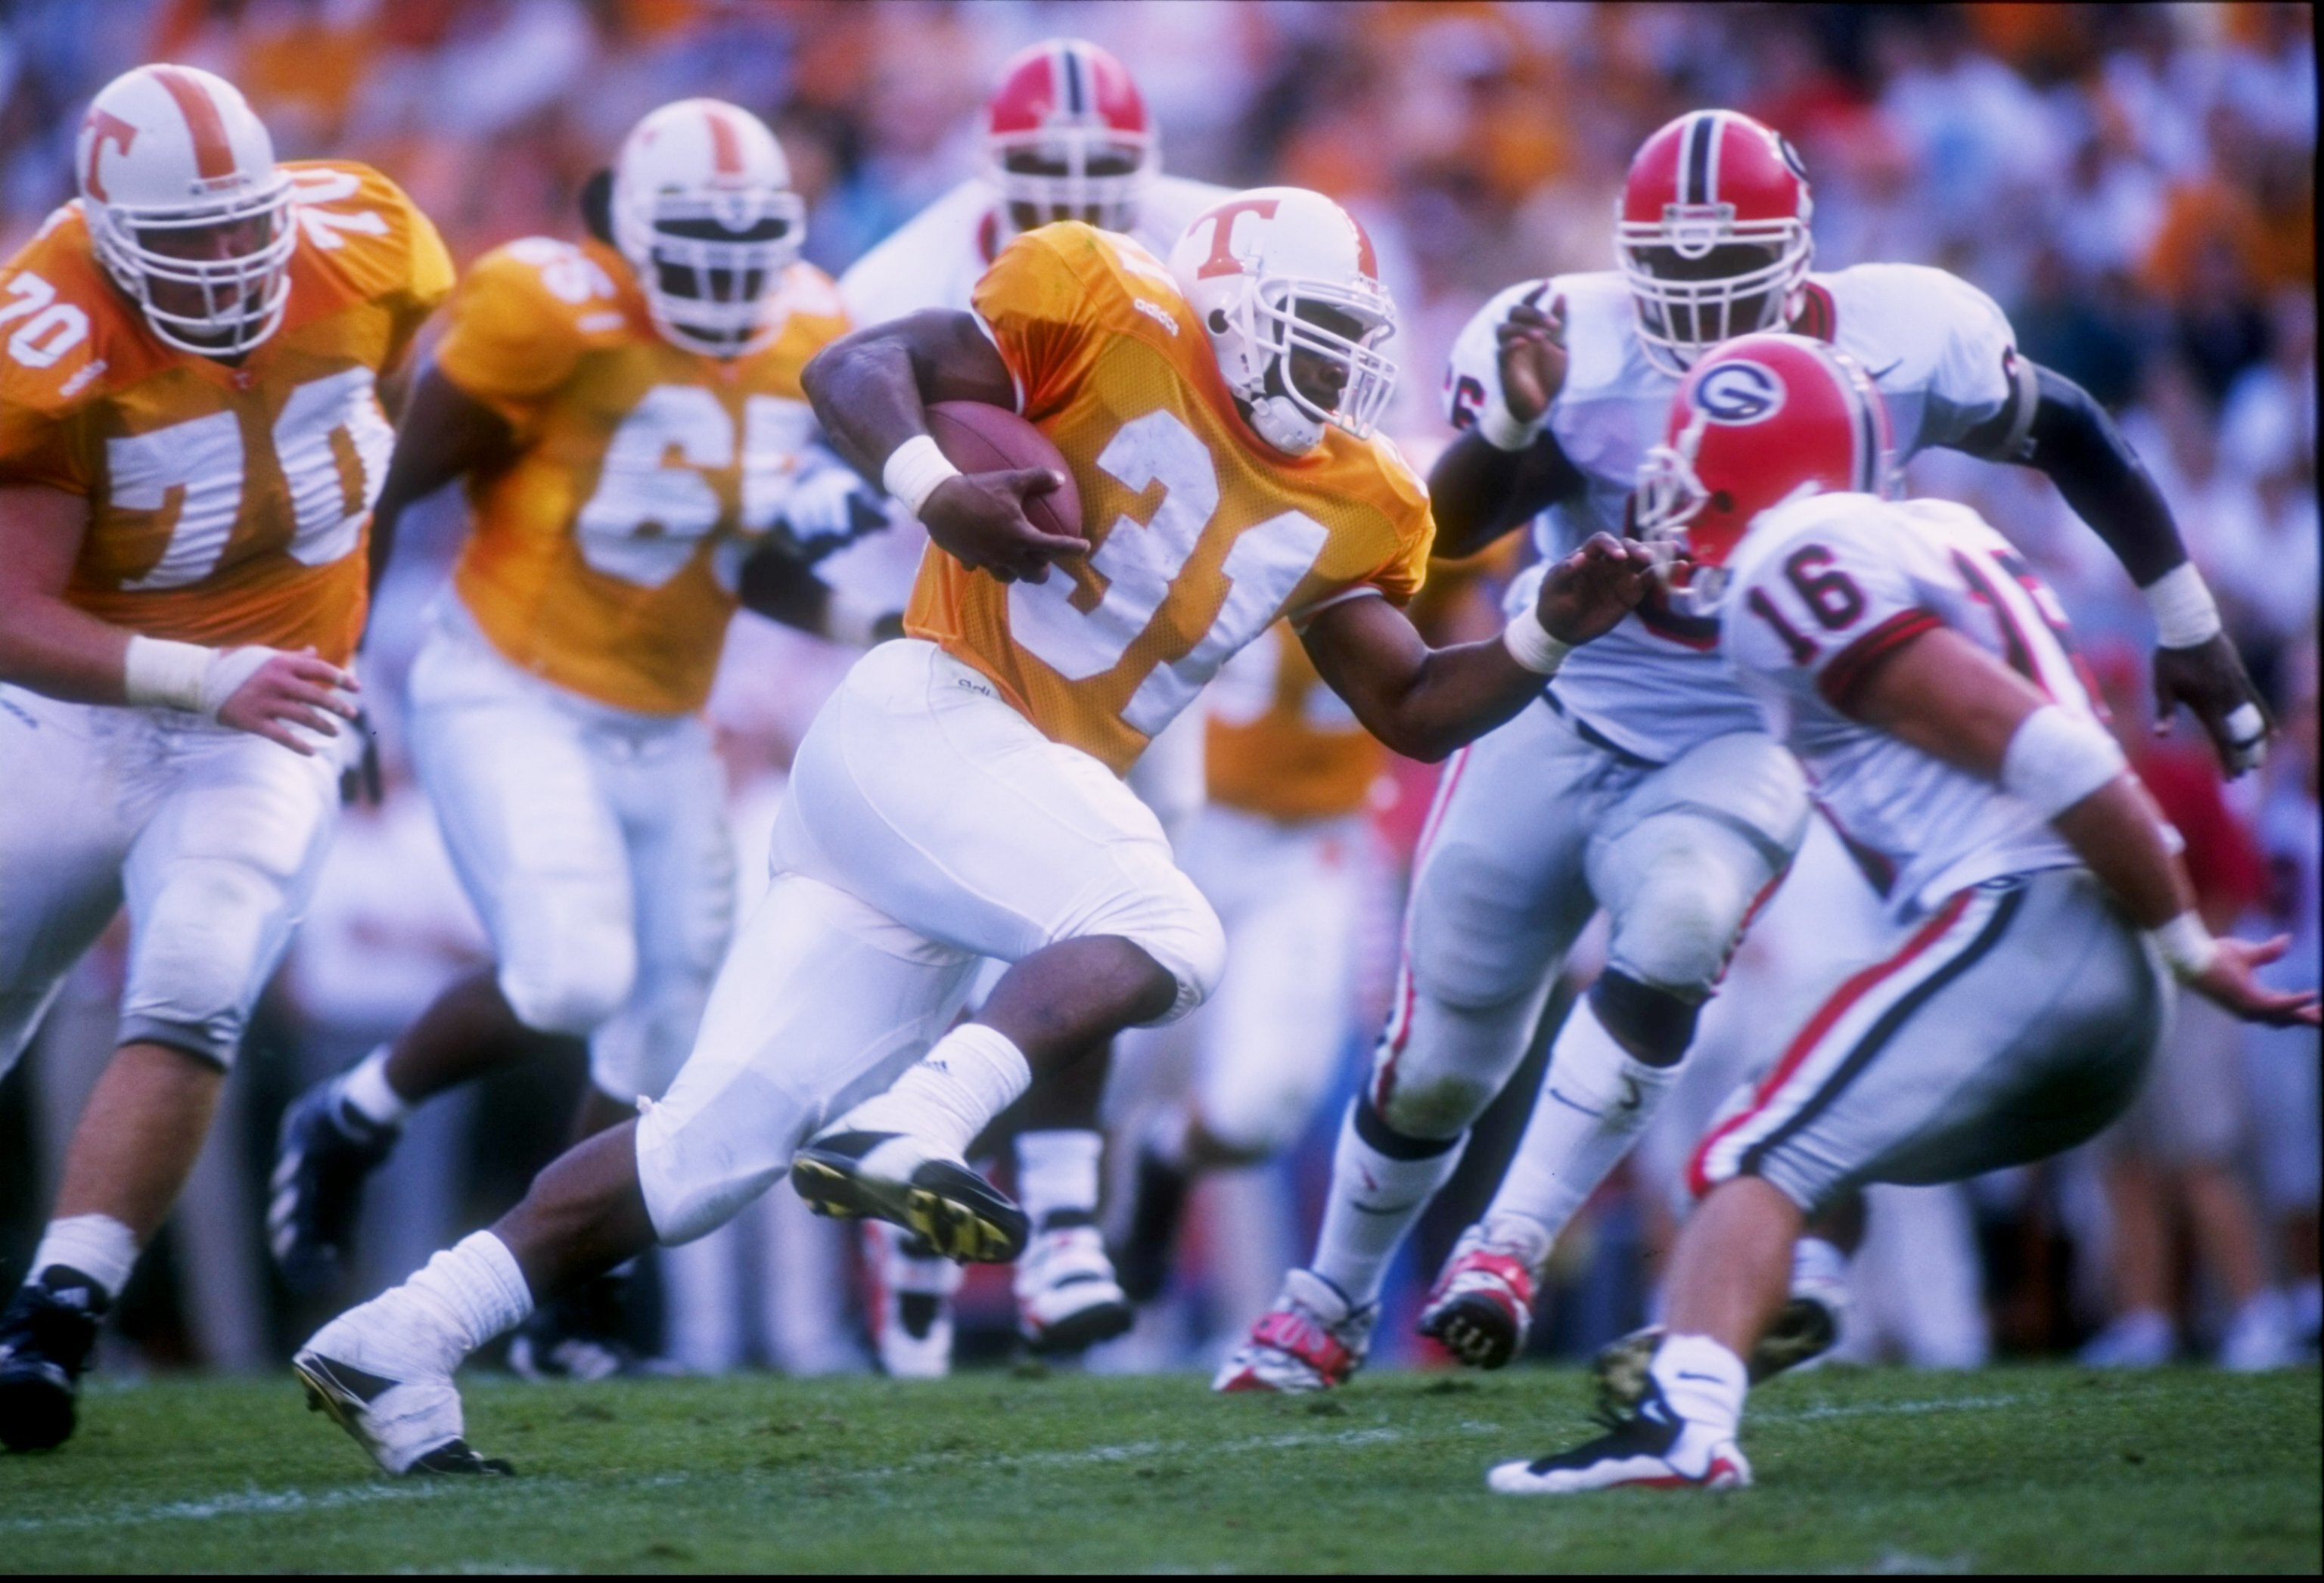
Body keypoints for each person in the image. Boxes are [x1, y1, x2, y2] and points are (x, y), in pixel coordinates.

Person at [292, 185, 1660, 1476]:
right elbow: (856, 366)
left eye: (1353, 346)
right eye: (1311, 335)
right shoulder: (1100, 306)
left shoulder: (1357, 494)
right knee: (1165, 925)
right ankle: (916, 1120)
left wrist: (1545, 628)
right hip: (933, 713)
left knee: (703, 1154)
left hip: (973, 800)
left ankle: (397, 1339)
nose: (1335, 373)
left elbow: (1413, 704)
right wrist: (932, 486)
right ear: (1230, 314)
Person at [1220, 107, 2274, 1393]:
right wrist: (1507, 436)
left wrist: (2185, 613)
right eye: (1677, 278)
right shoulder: (1571, 338)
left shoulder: (1906, 330)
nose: (1706, 310)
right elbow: (1428, 549)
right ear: (1626, 259)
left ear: (1800, 256)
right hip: (1559, 705)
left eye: (1734, 278)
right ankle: (1323, 1298)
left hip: (1741, 732)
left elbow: (2069, 429)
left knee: (1675, 928)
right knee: (1440, 1053)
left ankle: (1509, 1244)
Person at [1487, 333, 2316, 1493]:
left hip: (2033, 924)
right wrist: (2161, 941)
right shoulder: (1939, 532)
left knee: (1751, 1149)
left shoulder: (1792, 561)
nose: (1671, 505)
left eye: (1692, 476)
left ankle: (1683, 1420)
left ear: (1752, 473)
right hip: (2096, 988)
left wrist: (2189, 941)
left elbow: (2054, 752)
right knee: (1800, 1136)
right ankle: (1787, 1295)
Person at [265, 98, 881, 1376]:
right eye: (691, 244)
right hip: (509, 683)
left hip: (664, 721)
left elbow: (725, 556)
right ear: (623, 233)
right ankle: (355, 1112)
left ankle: (567, 1285)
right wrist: (331, 667)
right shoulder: (547, 309)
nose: (722, 276)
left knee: (661, 1029)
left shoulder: (813, 325)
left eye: (745, 244)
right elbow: (387, 493)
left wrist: (854, 615)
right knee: (569, 974)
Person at [0, 64, 451, 1451]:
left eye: (240, 224)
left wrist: (331, 644)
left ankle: (57, 1318)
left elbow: (377, 436)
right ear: (106, 226)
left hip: (273, 706)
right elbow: (10, 612)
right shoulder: (46, 328)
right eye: (183, 238)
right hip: (82, 709)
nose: (223, 259)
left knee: (199, 978)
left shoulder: (370, 243)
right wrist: (213, 672)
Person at [834, 36, 1235, 1364]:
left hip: (1138, 626)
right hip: (983, 613)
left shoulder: (1209, 245)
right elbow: (850, 433)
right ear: (986, 173)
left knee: (1105, 919)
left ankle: (1049, 1217)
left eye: (1098, 171)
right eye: (1041, 172)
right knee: (984, 926)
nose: (1071, 194)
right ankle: (1017, 1218)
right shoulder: (904, 277)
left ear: (1149, 169)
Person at [1109, 619, 1386, 1308]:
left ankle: (1167, 1158)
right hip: (1169, 826)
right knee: (1103, 1079)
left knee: (1255, 1113)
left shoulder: (1420, 528)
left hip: (1306, 852)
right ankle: (1085, 1305)